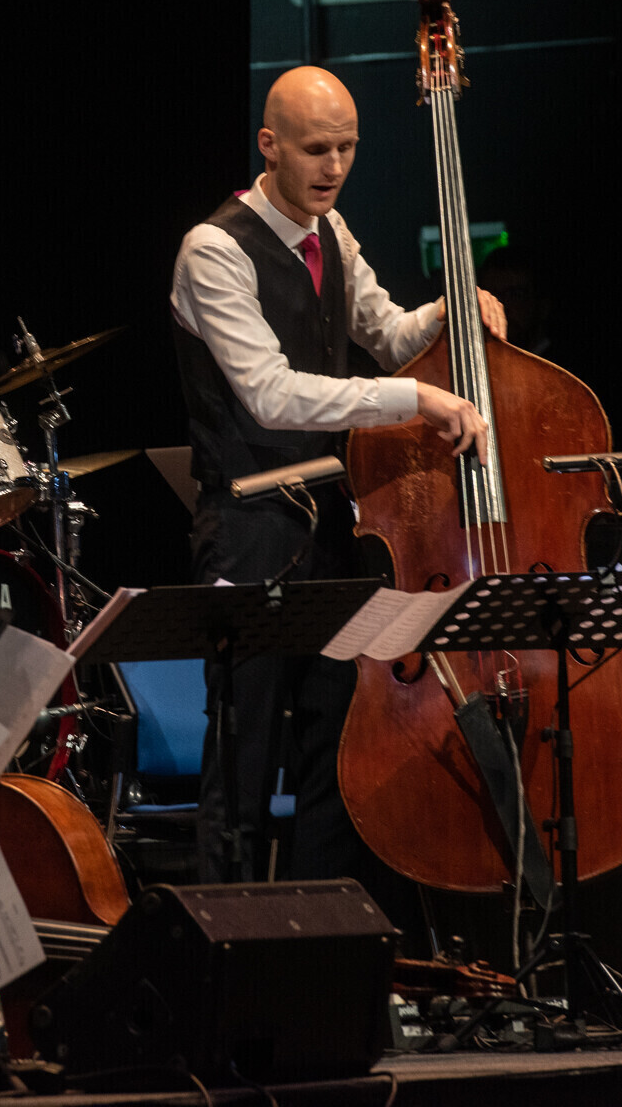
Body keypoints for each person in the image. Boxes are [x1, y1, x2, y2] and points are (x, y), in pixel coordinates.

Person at [170, 65, 504, 919]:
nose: (334, 167)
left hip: (331, 527)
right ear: (270, 145)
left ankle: (324, 945)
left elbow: (387, 335)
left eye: (348, 148)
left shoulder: (333, 231)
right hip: (247, 525)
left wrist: (452, 307)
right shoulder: (214, 248)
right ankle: (227, 952)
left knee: (336, 753)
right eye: (317, 148)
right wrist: (417, 399)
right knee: (242, 765)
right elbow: (272, 394)